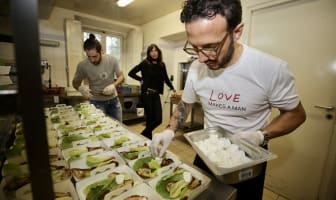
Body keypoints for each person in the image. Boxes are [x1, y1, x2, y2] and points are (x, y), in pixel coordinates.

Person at [150, 0, 306, 199]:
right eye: (195, 48)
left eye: (210, 47)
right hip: (208, 148)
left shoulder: (270, 69)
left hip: (248, 155)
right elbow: (185, 103)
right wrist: (169, 130)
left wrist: (261, 135)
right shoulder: (197, 67)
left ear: (237, 31)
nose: (202, 58)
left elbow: (296, 114)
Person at [72, 33, 124, 121]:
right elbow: (75, 82)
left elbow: (121, 76)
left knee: (119, 127)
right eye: (89, 57)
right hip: (96, 102)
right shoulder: (82, 65)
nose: (92, 60)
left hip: (113, 101)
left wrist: (113, 85)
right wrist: (80, 88)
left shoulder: (112, 60)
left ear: (101, 51)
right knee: (99, 128)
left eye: (95, 56)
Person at [128, 44, 176, 139]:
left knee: (158, 119)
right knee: (150, 119)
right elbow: (131, 73)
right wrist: (141, 79)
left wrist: (172, 88)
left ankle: (143, 134)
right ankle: (147, 139)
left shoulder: (162, 65)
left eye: (155, 50)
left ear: (158, 52)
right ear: (149, 53)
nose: (154, 53)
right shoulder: (145, 63)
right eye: (151, 51)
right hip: (146, 94)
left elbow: (166, 78)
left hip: (156, 94)